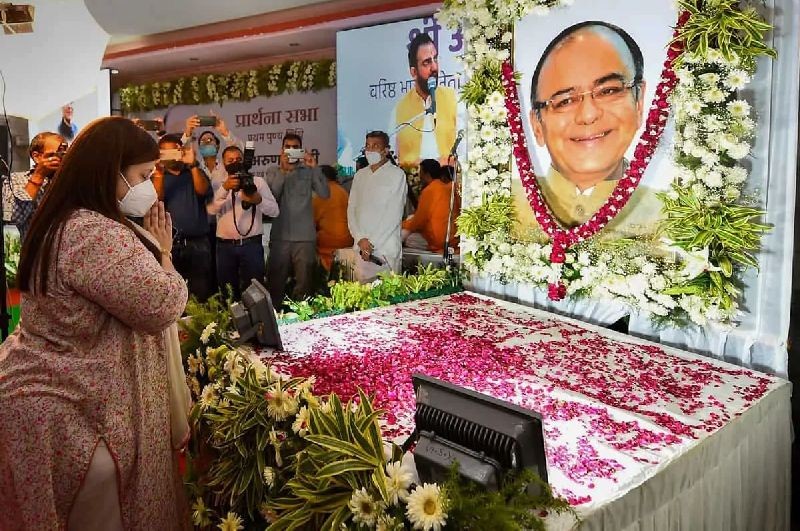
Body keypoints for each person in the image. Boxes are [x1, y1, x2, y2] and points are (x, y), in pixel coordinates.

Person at [0, 117, 189, 529]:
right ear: (111, 171)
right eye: (143, 175)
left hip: (52, 403)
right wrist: (166, 255)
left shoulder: (67, 220)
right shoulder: (93, 233)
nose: (149, 186)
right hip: (80, 417)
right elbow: (160, 304)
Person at [513, 21, 661, 237]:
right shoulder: (507, 205)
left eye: (608, 91)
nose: (588, 115)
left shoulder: (668, 216)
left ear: (638, 103)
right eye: (564, 101)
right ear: (537, 125)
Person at [264, 133, 329, 306]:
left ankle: (302, 323)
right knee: (275, 284)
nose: (291, 151)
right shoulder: (272, 172)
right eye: (288, 147)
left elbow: (325, 193)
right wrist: (284, 172)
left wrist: (315, 167)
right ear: (282, 150)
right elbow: (272, 198)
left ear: (301, 150)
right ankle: (274, 321)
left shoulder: (308, 170)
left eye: (295, 147)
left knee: (305, 285)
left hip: (305, 239)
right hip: (280, 238)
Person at [207, 146, 279, 299]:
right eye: (230, 160)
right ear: (224, 163)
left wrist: (258, 200)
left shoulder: (257, 182)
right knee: (227, 294)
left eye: (238, 159)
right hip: (225, 247)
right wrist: (225, 189)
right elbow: (210, 211)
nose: (235, 163)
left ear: (245, 161)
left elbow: (274, 211)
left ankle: (256, 322)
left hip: (251, 246)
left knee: (255, 293)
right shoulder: (217, 184)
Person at [153, 134, 214, 301]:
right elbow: (157, 200)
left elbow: (203, 191)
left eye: (174, 150)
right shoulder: (157, 176)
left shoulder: (194, 172)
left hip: (198, 243)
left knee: (200, 292)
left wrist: (193, 165)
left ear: (181, 150)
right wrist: (158, 172)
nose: (170, 155)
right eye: (165, 152)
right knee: (173, 294)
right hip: (170, 245)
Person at [391, 32, 458, 169]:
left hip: (447, 182)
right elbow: (393, 158)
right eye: (427, 62)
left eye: (435, 59)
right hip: (414, 185)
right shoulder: (399, 109)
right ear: (414, 72)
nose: (434, 67)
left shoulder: (453, 99)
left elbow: (464, 150)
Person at [348, 131, 407, 273]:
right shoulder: (360, 175)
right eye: (368, 146)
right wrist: (360, 238)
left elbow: (394, 214)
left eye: (375, 146)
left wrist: (371, 243)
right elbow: (351, 209)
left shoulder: (396, 175)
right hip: (361, 248)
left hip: (385, 249)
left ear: (386, 150)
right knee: (361, 293)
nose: (370, 149)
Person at [1, 132, 67, 239]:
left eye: (64, 155)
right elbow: (12, 218)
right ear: (37, 157)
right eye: (53, 155)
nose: (60, 159)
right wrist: (39, 175)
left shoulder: (69, 181)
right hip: (34, 252)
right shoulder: (16, 180)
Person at [402, 159, 459, 254]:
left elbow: (418, 222)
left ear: (426, 174)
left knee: (409, 239)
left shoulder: (430, 190)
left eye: (420, 172)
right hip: (454, 239)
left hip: (440, 242)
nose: (419, 175)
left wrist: (401, 225)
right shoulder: (447, 188)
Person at [312, 165, 353, 271]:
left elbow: (310, 223)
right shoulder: (343, 192)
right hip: (349, 240)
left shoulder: (321, 195)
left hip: (329, 242)